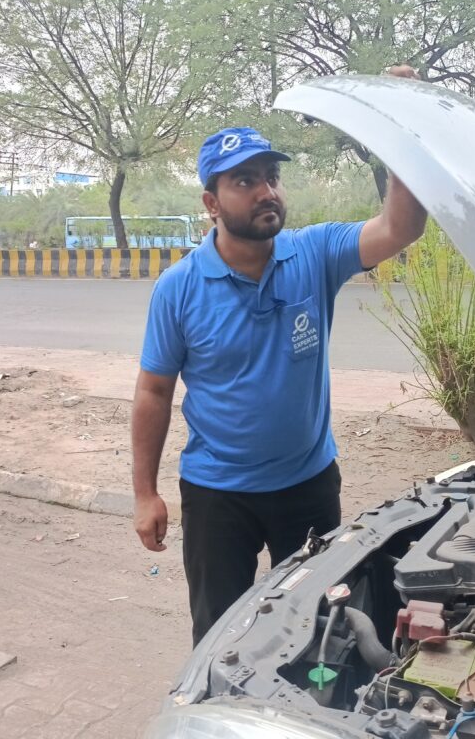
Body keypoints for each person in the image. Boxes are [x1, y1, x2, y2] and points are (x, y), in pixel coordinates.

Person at [132, 67, 428, 646]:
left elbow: (401, 227)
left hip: (309, 484)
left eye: (270, 177)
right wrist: (145, 492)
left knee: (317, 630)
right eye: (245, 181)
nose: (266, 190)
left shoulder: (314, 253)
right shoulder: (180, 288)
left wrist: (399, 126)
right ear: (211, 202)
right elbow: (153, 393)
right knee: (220, 638)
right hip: (219, 495)